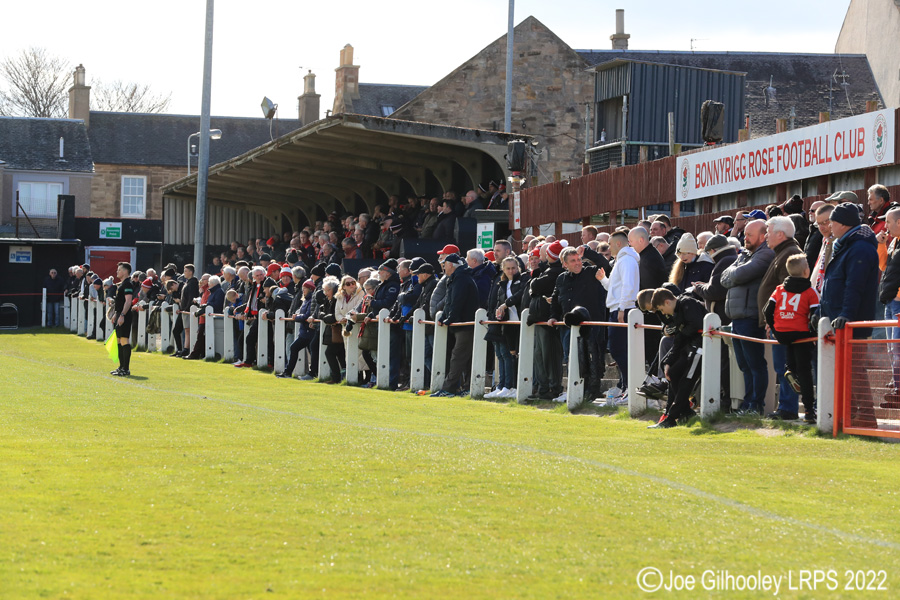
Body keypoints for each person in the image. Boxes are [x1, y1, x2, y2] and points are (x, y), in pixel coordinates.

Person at [720, 220, 775, 415]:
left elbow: (738, 275)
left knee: (755, 364)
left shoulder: (766, 253)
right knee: (744, 365)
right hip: (737, 317)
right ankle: (748, 404)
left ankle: (755, 405)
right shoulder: (745, 254)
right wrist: (734, 274)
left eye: (750, 235)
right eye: (745, 234)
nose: (745, 238)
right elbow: (724, 277)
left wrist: (734, 275)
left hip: (750, 317)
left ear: (762, 236)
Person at [549, 246, 610, 403]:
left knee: (593, 359)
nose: (577, 263)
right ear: (564, 264)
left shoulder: (591, 272)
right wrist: (553, 316)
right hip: (569, 327)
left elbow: (605, 264)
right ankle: (575, 390)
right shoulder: (561, 278)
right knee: (571, 358)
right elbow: (556, 299)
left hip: (592, 325)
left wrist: (587, 252)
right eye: (573, 261)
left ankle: (593, 391)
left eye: (578, 260)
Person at [763, 254, 820, 423]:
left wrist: (775, 329)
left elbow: (767, 311)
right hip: (801, 334)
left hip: (782, 333)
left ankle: (790, 371)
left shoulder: (779, 289)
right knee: (805, 371)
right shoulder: (810, 292)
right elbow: (815, 316)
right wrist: (813, 335)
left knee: (790, 360)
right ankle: (809, 411)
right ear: (806, 271)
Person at [758, 216, 802, 420]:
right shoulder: (783, 252)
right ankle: (786, 408)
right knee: (782, 366)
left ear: (780, 234)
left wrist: (774, 319)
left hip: (783, 323)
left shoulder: (790, 253)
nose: (765, 236)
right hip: (781, 322)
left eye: (768, 232)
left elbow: (789, 292)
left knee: (785, 366)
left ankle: (788, 409)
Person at [647, 287, 706, 429]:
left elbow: (695, 325)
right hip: (690, 348)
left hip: (701, 348)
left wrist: (681, 331)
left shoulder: (688, 304)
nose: (663, 314)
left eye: (662, 309)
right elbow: (680, 338)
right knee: (672, 372)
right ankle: (686, 411)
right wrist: (668, 362)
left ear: (667, 302)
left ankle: (672, 417)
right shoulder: (678, 310)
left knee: (687, 380)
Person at [431, 254, 479, 397]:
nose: (443, 267)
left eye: (444, 264)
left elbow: (457, 301)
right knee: (462, 357)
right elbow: (449, 302)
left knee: (458, 357)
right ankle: (464, 388)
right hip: (460, 324)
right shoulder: (456, 278)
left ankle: (449, 389)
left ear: (450, 265)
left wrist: (450, 318)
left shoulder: (461, 279)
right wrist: (444, 317)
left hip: (464, 324)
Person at [599, 231, 640, 393]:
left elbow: (628, 286)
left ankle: (630, 386)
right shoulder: (622, 260)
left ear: (617, 244)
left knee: (618, 349)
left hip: (623, 310)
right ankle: (626, 386)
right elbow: (615, 287)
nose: (609, 247)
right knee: (620, 350)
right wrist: (603, 279)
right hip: (619, 309)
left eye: (610, 244)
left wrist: (622, 308)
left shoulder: (627, 260)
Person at [880, 206, 900, 408]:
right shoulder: (894, 241)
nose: (884, 226)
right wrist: (881, 245)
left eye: (887, 221)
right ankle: (896, 384)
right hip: (890, 300)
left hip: (898, 302)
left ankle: (898, 389)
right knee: (891, 347)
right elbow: (884, 267)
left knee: (897, 347)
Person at [110, 262, 135, 377]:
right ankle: (121, 367)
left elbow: (128, 301)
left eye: (119, 270)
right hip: (120, 314)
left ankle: (126, 369)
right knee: (119, 341)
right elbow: (120, 302)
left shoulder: (128, 284)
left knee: (124, 340)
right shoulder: (122, 284)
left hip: (125, 316)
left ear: (125, 271)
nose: (117, 272)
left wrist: (123, 315)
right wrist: (116, 313)